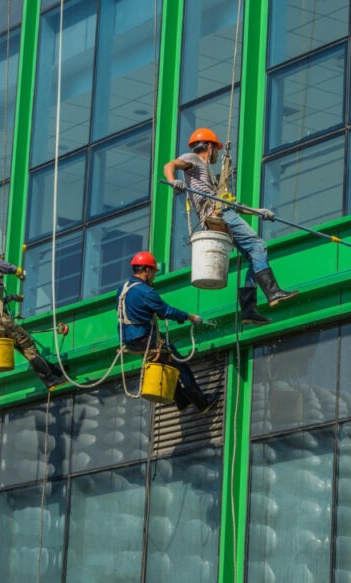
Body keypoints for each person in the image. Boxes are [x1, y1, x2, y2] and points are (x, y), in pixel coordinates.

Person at [163, 127, 298, 326]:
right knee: (258, 246)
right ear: (208, 146)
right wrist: (173, 181)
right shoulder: (193, 159)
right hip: (218, 214)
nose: (218, 152)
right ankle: (273, 292)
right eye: (216, 148)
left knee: (254, 256)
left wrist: (258, 212)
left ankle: (249, 309)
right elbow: (170, 164)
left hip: (220, 213)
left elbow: (229, 204)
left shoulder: (208, 175)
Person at [117, 251, 218, 413]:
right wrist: (189, 317)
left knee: (167, 363)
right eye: (154, 273)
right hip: (145, 339)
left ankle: (182, 400)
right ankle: (202, 403)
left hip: (130, 341)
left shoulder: (123, 289)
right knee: (181, 366)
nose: (154, 277)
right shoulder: (145, 292)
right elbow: (166, 311)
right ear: (147, 271)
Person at [0, 248, 66, 390]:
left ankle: (56, 373)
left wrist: (12, 298)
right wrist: (17, 270)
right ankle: (50, 380)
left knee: (24, 347)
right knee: (28, 345)